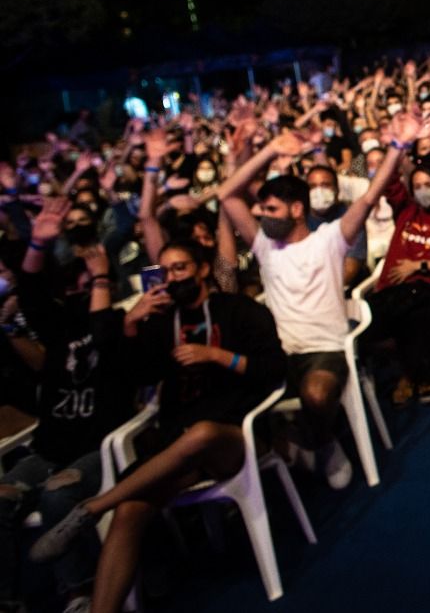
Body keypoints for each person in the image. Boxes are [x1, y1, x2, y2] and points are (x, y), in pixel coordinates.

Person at [29, 242, 286, 613]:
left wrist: (216, 355)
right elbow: (133, 376)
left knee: (202, 433)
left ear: (200, 269)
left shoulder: (239, 310)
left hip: (234, 437)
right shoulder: (164, 324)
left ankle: (93, 507)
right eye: (164, 272)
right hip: (176, 452)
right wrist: (132, 325)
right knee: (131, 509)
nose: (172, 278)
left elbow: (275, 369)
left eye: (180, 268)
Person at [216, 113, 430, 488]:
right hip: (277, 354)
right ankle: (285, 447)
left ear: (296, 210)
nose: (263, 217)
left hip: (323, 350)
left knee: (316, 395)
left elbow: (368, 195)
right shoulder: (265, 246)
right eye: (262, 211)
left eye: (271, 210)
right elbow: (226, 196)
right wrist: (268, 149)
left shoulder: (329, 238)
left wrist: (397, 148)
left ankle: (323, 444)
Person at [0, 201, 132, 613]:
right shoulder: (57, 329)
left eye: (89, 285)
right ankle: (7, 599)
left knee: (58, 500)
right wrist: (37, 243)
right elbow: (34, 294)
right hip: (47, 450)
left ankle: (79, 592)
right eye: (76, 285)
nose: (82, 292)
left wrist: (102, 278)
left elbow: (103, 336)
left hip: (97, 447)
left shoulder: (119, 326)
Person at [363, 157, 430, 407]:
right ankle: (414, 375)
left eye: (428, 184)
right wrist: (396, 149)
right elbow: (387, 179)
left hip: (426, 289)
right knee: (372, 325)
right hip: (391, 291)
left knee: (418, 314)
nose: (423, 190)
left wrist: (418, 266)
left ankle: (413, 377)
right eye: (417, 185)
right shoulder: (406, 210)